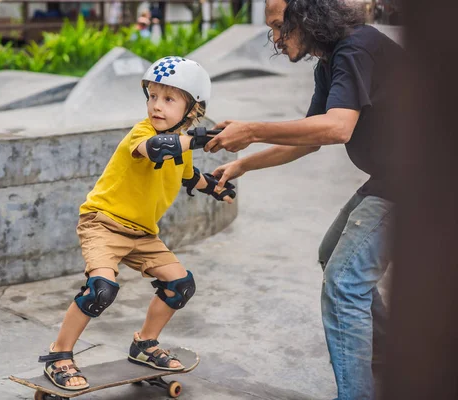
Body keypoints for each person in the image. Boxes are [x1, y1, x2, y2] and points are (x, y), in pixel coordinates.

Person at [204, 0, 404, 399]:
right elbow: (310, 139)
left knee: (344, 283)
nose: (275, 39)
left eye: (280, 27)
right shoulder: (329, 62)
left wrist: (253, 129)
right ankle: (381, 352)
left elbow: (337, 127)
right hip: (392, 177)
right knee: (334, 255)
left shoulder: (357, 48)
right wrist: (241, 165)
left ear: (307, 17)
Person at [38, 56, 236, 390]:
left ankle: (144, 344)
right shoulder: (143, 133)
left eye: (168, 99)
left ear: (193, 109)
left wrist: (215, 188)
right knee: (100, 290)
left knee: (180, 284)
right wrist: (206, 138)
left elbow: (189, 176)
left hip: (143, 234)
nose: (156, 106)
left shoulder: (182, 146)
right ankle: (59, 355)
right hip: (102, 222)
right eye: (152, 96)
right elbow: (157, 148)